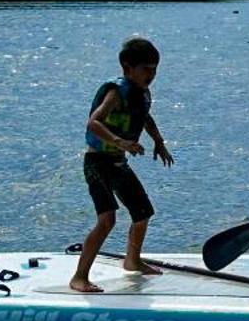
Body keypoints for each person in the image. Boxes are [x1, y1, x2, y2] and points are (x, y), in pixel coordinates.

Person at [69, 35, 174, 294]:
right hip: (97, 162)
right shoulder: (116, 92)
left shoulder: (139, 94)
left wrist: (159, 142)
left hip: (117, 162)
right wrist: (120, 141)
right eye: (145, 70)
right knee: (107, 220)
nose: (151, 75)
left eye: (154, 70)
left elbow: (145, 118)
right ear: (127, 67)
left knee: (143, 213)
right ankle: (79, 277)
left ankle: (133, 260)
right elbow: (94, 122)